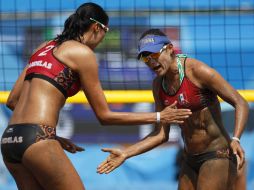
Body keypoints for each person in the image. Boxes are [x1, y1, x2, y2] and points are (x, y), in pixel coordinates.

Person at [0, 4, 192, 190]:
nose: (101, 40)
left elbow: (12, 101)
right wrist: (159, 116)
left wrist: (51, 136)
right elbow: (105, 116)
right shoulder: (83, 53)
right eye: (105, 32)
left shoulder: (42, 48)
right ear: (96, 27)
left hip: (9, 140)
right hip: (37, 139)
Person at [97, 29, 249, 190]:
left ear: (170, 49)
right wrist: (126, 153)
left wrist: (236, 139)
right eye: (145, 57)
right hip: (189, 159)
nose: (150, 61)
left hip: (217, 154)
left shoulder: (197, 71)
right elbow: (161, 135)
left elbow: (240, 102)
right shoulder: (158, 85)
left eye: (154, 55)